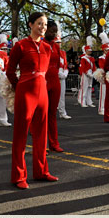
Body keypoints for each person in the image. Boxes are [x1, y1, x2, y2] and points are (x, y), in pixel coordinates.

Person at [6, 12, 59, 189]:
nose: (43, 27)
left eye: (44, 24)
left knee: (41, 135)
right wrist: (19, 86)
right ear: (30, 24)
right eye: (39, 24)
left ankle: (41, 171)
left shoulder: (47, 48)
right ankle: (18, 176)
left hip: (42, 93)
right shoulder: (20, 46)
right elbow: (10, 71)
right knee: (21, 135)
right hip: (26, 92)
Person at [44, 19, 64, 152]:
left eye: (55, 32)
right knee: (41, 113)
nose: (54, 34)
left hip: (54, 80)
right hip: (44, 80)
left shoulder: (56, 46)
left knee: (52, 113)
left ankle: (54, 143)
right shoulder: (40, 44)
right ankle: (40, 142)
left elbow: (57, 63)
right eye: (52, 31)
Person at [56, 29, 71, 120]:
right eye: (57, 42)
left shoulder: (63, 53)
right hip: (54, 75)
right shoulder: (50, 51)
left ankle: (62, 112)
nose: (59, 44)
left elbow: (65, 64)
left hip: (63, 75)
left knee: (62, 95)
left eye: (60, 42)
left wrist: (65, 72)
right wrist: (58, 73)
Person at [78, 36, 96, 108]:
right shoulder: (83, 58)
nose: (90, 51)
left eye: (90, 50)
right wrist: (87, 73)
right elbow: (83, 67)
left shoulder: (92, 58)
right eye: (89, 50)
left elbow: (93, 66)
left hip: (91, 74)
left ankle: (89, 101)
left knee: (89, 88)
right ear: (86, 51)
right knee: (84, 88)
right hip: (85, 74)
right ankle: (82, 101)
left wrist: (94, 73)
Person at [97, 32, 109, 116]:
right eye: (107, 50)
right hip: (104, 76)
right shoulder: (101, 58)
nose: (108, 51)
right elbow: (102, 67)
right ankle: (101, 108)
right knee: (103, 94)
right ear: (104, 50)